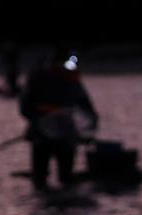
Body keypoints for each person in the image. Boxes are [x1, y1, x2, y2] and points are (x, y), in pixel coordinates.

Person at [19, 47, 98, 191]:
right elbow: (25, 106)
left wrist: (91, 127)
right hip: (41, 135)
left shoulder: (72, 78)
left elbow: (86, 106)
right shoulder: (38, 77)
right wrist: (38, 120)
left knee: (66, 177)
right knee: (40, 177)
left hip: (66, 135)